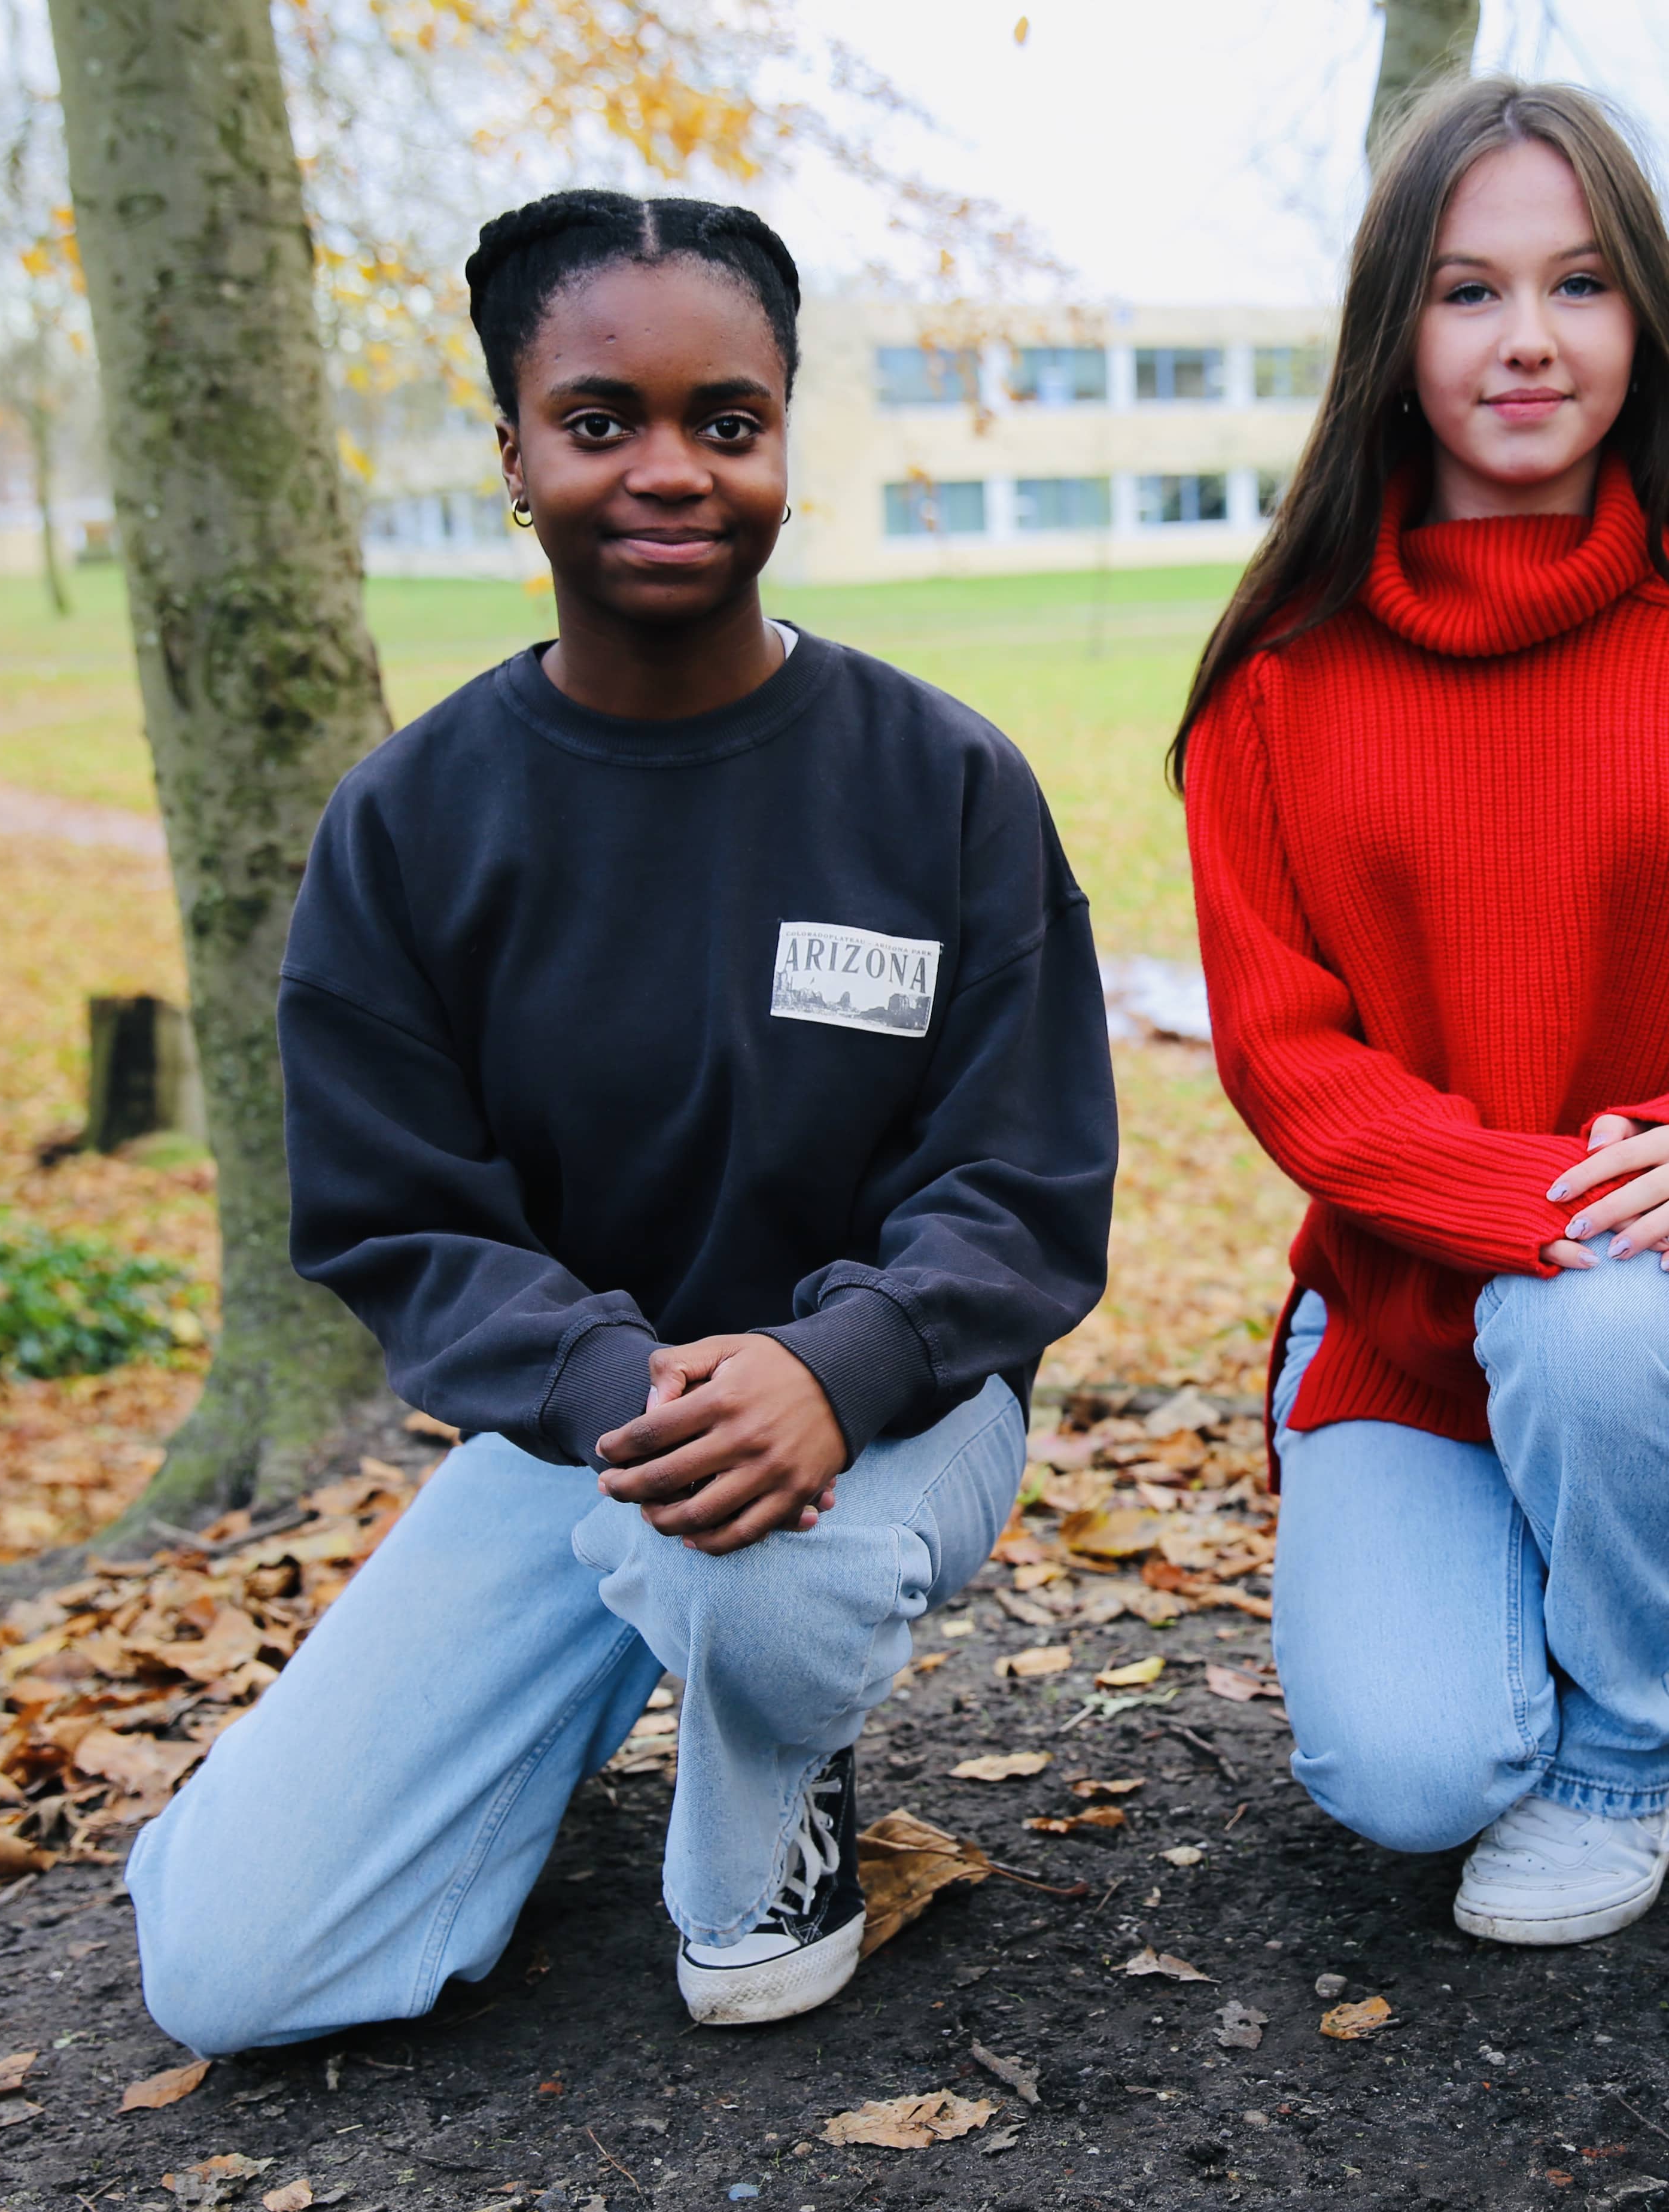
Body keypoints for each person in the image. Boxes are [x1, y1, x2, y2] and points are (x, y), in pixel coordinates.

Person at [124, 192, 1116, 2041]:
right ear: (513, 453)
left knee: (757, 1613)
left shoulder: (945, 785)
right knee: (232, 1976)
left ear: (784, 443)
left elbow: (1027, 1181)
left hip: (899, 1411)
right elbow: (398, 1219)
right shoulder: (411, 826)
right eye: (602, 421)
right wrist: (612, 1396)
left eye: (725, 422)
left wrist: (841, 1361)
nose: (671, 469)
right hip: (581, 1435)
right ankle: (630, 1663)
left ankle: (769, 1758)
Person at [1175, 80, 1669, 1949]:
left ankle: (1632, 1738)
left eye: (1579, 285)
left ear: (1643, 320)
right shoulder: (1279, 678)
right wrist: (1538, 1212)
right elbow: (1289, 1062)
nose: (1528, 339)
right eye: (1466, 290)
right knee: (1410, 1781)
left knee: (1593, 1335)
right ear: (1391, 339)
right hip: (1413, 1317)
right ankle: (1472, 1544)